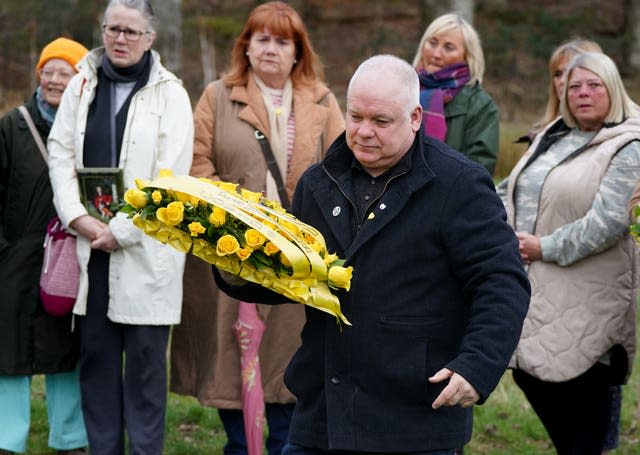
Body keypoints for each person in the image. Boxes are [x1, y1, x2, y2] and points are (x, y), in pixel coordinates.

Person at [214, 54, 530, 454]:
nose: (363, 132)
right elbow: (298, 277)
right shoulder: (317, 182)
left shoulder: (458, 185)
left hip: (416, 416)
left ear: (415, 117)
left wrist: (477, 365)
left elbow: (502, 281)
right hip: (322, 414)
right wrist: (234, 263)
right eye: (355, 116)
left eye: (381, 121)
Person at [169, 2, 344, 455]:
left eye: (282, 41)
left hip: (298, 259)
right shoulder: (216, 96)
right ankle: (239, 445)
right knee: (231, 362)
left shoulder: (323, 102)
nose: (270, 48)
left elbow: (343, 174)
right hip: (231, 253)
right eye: (261, 38)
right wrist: (241, 218)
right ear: (245, 47)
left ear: (297, 51)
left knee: (289, 362)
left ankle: (288, 443)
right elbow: (196, 166)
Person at [47, 1, 193, 454]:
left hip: (146, 254)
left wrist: (122, 231)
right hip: (91, 250)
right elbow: (60, 153)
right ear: (103, 30)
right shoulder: (81, 85)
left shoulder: (171, 94)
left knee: (147, 372)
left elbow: (170, 180)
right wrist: (79, 219)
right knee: (97, 365)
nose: (120, 39)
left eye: (131, 31)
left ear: (150, 38)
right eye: (113, 29)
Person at [497, 51, 640, 455]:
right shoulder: (555, 135)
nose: (582, 93)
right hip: (537, 289)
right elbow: (512, 188)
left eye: (594, 85)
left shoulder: (630, 143)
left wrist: (545, 247)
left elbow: (610, 221)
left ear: (613, 87)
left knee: (583, 414)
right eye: (574, 86)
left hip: (590, 295)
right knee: (533, 377)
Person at [0, 36, 89, 455]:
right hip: (14, 259)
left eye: (64, 71)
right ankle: (7, 440)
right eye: (47, 70)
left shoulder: (86, 128)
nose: (54, 80)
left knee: (64, 347)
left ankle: (69, 439)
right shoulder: (12, 124)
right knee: (8, 350)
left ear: (79, 79)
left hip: (69, 256)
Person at [411, 13, 499, 175]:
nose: (436, 54)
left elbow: (479, 170)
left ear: (468, 56)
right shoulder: (403, 91)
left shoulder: (481, 106)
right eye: (433, 43)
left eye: (448, 48)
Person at [516, 38, 603, 145]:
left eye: (570, 72)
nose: (562, 81)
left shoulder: (618, 135)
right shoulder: (540, 134)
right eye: (557, 74)